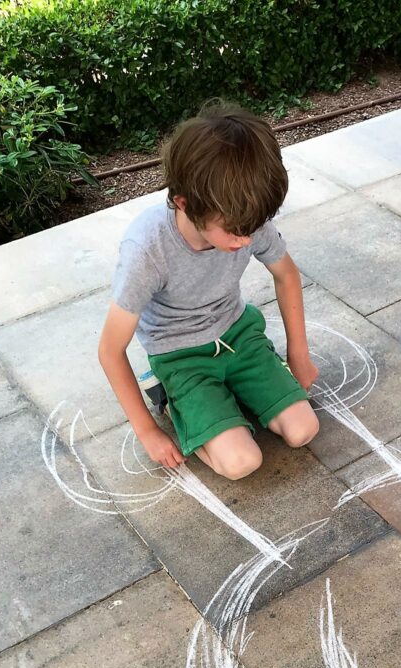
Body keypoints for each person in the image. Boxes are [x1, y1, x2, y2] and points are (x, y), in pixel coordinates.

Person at [98, 101, 320, 479]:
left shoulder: (244, 214)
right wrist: (148, 431)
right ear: (184, 204)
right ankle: (172, 399)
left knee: (303, 430)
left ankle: (226, 401)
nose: (246, 239)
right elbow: (109, 350)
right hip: (181, 356)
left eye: (252, 227)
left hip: (237, 335)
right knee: (241, 462)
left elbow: (286, 275)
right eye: (235, 231)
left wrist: (298, 353)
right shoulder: (147, 249)